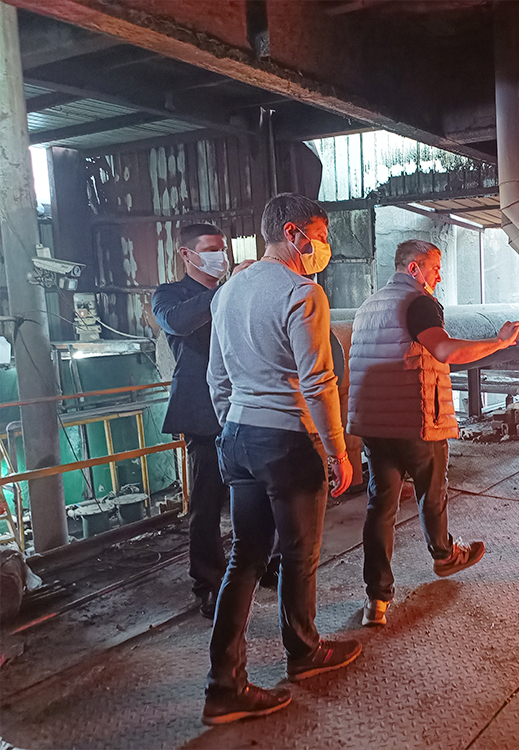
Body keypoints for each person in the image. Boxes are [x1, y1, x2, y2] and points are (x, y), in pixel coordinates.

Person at [203, 193, 359, 725]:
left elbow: (216, 376)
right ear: (293, 234)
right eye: (318, 234)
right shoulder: (303, 292)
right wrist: (338, 451)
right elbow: (318, 380)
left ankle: (224, 684)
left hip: (238, 435)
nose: (322, 247)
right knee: (299, 553)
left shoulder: (227, 292)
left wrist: (233, 424)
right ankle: (304, 653)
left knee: (246, 555)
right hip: (286, 438)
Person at [347, 240, 519, 627]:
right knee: (433, 494)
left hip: (375, 427)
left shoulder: (368, 308)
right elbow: (445, 351)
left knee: (381, 509)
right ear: (414, 269)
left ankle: (376, 601)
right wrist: (500, 341)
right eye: (435, 268)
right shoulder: (419, 303)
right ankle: (445, 556)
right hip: (417, 422)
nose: (438, 276)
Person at [152, 224, 253, 619]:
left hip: (244, 402)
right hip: (202, 411)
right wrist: (224, 291)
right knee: (207, 502)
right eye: (211, 249)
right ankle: (208, 585)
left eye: (223, 249)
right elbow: (178, 322)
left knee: (256, 492)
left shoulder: (231, 292)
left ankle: (261, 564)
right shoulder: (170, 296)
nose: (220, 256)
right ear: (186, 255)